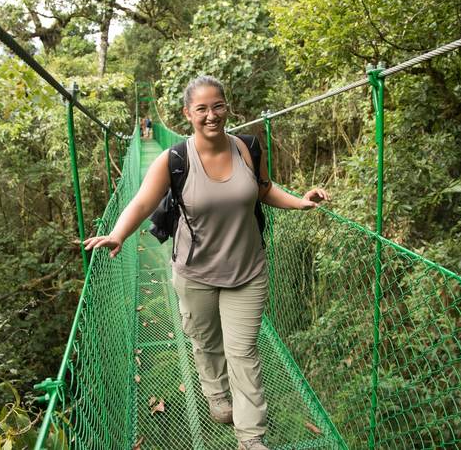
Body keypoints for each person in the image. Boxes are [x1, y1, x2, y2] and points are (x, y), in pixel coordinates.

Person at [84, 75, 329, 450]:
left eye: (218, 106)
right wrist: (118, 233)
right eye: (202, 109)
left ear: (226, 107)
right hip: (195, 273)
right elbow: (142, 203)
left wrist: (301, 201)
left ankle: (250, 438)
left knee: (243, 353)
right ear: (187, 114)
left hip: (247, 271)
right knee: (205, 340)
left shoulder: (248, 147)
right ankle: (216, 393)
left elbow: (264, 189)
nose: (211, 115)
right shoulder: (175, 160)